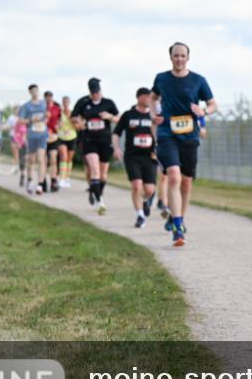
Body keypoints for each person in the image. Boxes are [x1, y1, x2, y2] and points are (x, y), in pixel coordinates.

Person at [151, 42, 216, 246]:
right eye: (176, 55)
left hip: (189, 136)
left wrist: (204, 111)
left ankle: (178, 216)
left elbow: (213, 104)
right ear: (170, 57)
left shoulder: (198, 80)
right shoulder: (161, 78)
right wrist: (154, 115)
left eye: (183, 56)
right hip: (167, 134)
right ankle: (178, 229)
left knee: (186, 182)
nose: (179, 59)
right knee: (173, 176)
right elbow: (153, 97)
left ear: (188, 57)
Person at [71, 78, 119, 214]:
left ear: (100, 90)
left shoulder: (108, 103)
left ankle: (95, 191)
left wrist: (109, 117)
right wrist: (80, 123)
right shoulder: (83, 102)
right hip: (89, 140)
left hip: (105, 141)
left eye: (97, 92)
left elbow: (119, 118)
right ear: (89, 92)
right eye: (93, 92)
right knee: (94, 170)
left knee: (103, 175)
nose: (95, 95)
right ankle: (100, 202)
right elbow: (74, 117)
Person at [113, 88, 158, 228]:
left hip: (149, 156)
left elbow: (159, 134)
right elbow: (116, 133)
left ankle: (145, 201)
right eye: (146, 97)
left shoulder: (153, 116)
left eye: (150, 97)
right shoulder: (128, 115)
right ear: (139, 97)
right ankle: (140, 215)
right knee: (136, 185)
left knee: (149, 190)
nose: (148, 99)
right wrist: (116, 148)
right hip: (133, 156)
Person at [18, 84, 49, 195]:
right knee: (31, 160)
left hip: (42, 135)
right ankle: (30, 180)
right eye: (33, 91)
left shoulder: (43, 104)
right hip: (31, 135)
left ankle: (40, 185)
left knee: (41, 159)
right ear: (30, 92)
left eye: (36, 90)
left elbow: (47, 116)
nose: (35, 92)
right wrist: (31, 119)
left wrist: (46, 117)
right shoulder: (26, 106)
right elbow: (20, 121)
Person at [56, 96, 78, 188]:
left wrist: (71, 118)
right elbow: (55, 124)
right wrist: (57, 127)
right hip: (61, 137)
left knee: (69, 159)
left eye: (67, 102)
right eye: (64, 102)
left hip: (72, 137)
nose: (65, 103)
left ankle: (67, 178)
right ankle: (61, 178)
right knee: (63, 157)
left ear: (69, 103)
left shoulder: (73, 113)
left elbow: (77, 127)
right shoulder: (59, 114)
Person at [44, 91, 63, 192]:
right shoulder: (41, 107)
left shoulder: (57, 107)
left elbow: (60, 119)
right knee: (44, 161)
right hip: (43, 137)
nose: (49, 99)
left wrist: (58, 126)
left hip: (54, 136)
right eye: (47, 97)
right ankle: (43, 181)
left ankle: (53, 181)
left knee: (53, 159)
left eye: (50, 97)